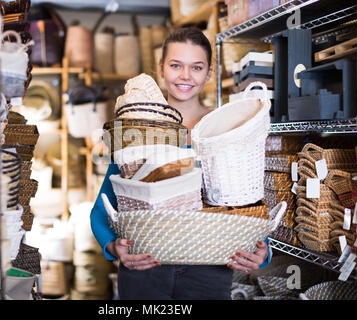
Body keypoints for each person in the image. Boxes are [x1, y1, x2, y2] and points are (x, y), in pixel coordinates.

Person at [90, 27, 271, 300]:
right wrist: (114, 247)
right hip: (146, 268)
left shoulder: (226, 132)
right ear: (161, 68)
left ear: (209, 72)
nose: (185, 76)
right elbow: (103, 207)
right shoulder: (138, 131)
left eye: (196, 67)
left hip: (209, 273)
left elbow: (249, 201)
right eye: (176, 65)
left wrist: (263, 250)